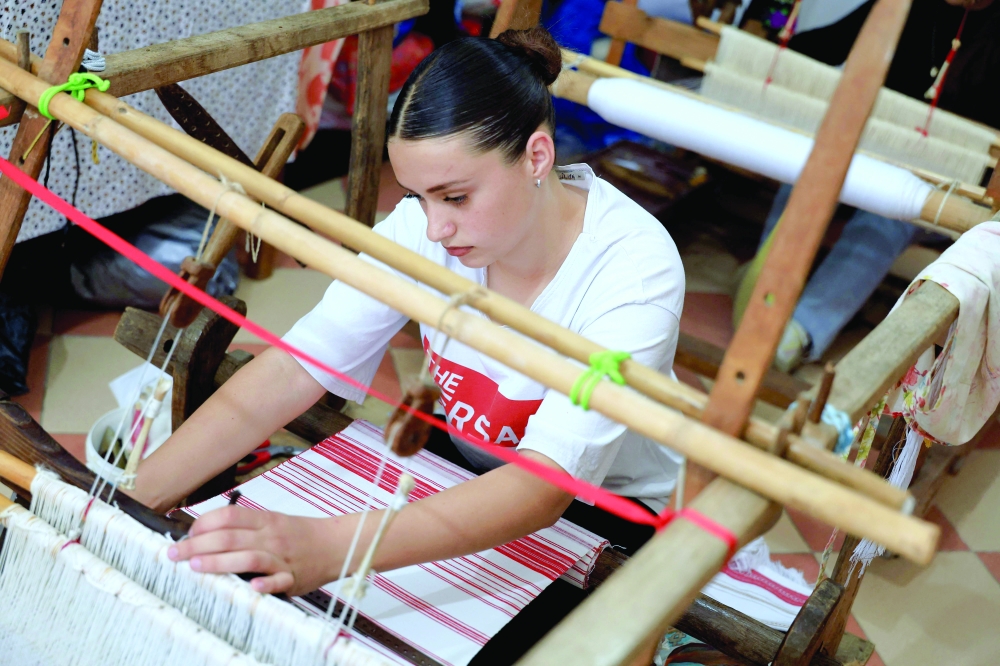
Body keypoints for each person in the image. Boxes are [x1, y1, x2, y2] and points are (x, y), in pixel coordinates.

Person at [131, 26, 685, 661]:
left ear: (536, 157)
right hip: (464, 464)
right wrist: (130, 497)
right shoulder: (431, 229)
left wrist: (327, 549)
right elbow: (296, 367)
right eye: (418, 197)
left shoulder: (632, 270)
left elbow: (543, 488)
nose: (435, 227)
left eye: (455, 196)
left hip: (601, 515)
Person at [755, 0, 1000, 372]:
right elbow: (836, 42)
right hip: (873, 150)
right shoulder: (908, 5)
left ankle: (800, 331)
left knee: (885, 220)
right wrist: (764, 44)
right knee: (809, 178)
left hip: (949, 182)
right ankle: (763, 296)